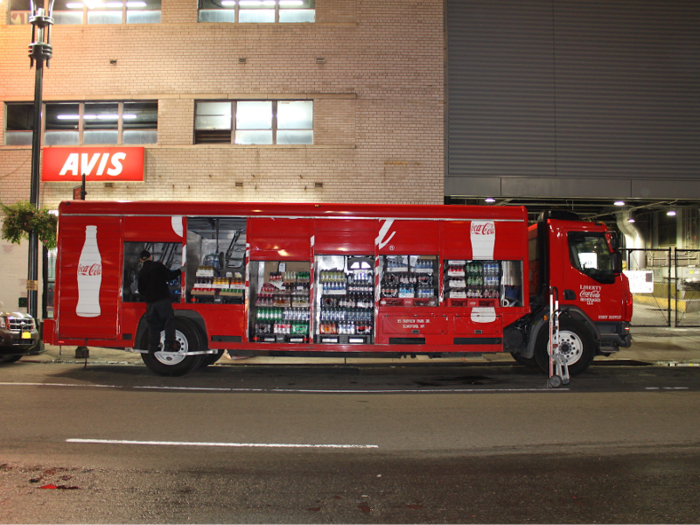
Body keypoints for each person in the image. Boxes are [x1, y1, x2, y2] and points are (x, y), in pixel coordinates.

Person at [137, 250, 182, 353]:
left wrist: (148, 295)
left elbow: (140, 290)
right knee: (169, 321)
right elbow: (170, 276)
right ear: (150, 257)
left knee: (153, 325)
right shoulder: (157, 266)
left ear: (141, 260)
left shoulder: (141, 272)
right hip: (162, 299)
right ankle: (170, 345)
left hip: (150, 303)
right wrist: (181, 270)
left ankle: (153, 347)